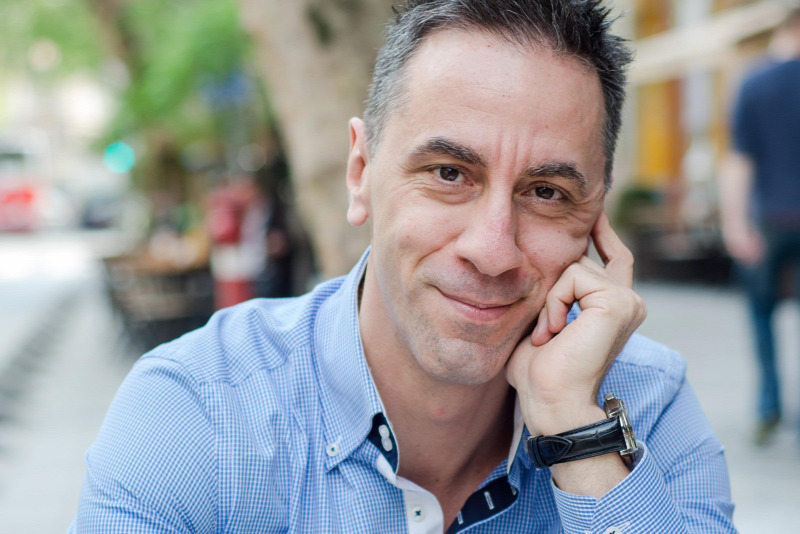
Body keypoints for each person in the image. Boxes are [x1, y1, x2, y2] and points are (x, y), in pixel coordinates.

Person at [71, 1, 736, 532]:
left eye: (546, 192)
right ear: (360, 172)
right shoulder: (197, 411)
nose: (492, 250)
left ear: (597, 221)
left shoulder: (645, 407)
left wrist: (578, 430)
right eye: (449, 173)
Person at [720, 6, 800, 447]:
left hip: (768, 220)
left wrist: (735, 224)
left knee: (762, 316)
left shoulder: (754, 82)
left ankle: (769, 406)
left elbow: (739, 161)